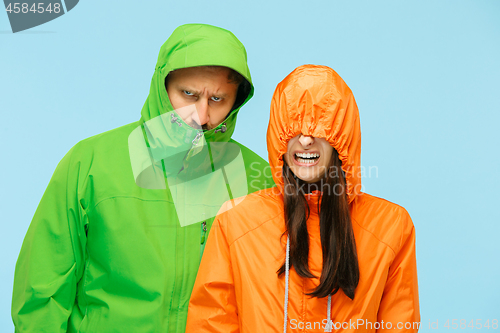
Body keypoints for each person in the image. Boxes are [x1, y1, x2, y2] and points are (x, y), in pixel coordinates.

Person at [12, 24, 274, 332]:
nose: (201, 116)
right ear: (162, 87)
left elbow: (272, 299)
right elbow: (42, 290)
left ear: (236, 102)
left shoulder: (259, 179)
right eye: (188, 94)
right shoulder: (90, 162)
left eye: (217, 99)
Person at [186, 65, 420, 332]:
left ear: (341, 136)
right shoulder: (238, 220)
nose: (306, 139)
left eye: (321, 126)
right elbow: (211, 322)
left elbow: (399, 324)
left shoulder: (390, 225)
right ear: (279, 136)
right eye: (294, 126)